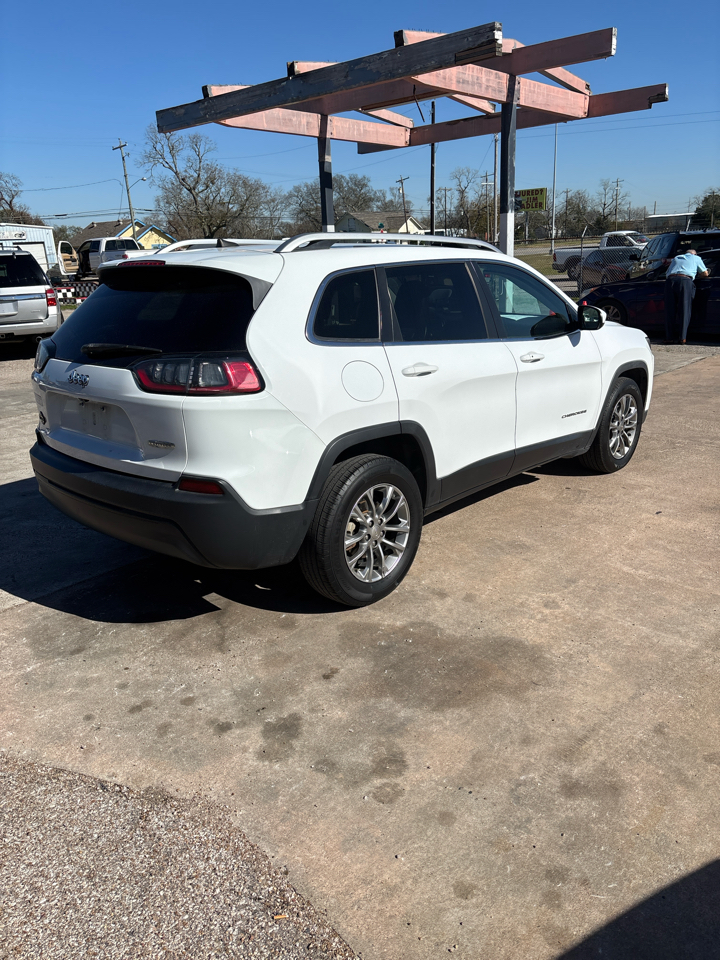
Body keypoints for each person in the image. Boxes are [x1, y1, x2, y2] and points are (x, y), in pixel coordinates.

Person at [664, 248, 709, 343]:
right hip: (685, 281)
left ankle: (669, 338)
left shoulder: (676, 258)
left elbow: (667, 273)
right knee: (684, 309)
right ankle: (682, 337)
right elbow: (705, 273)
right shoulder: (696, 258)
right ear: (694, 254)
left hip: (670, 281)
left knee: (670, 310)